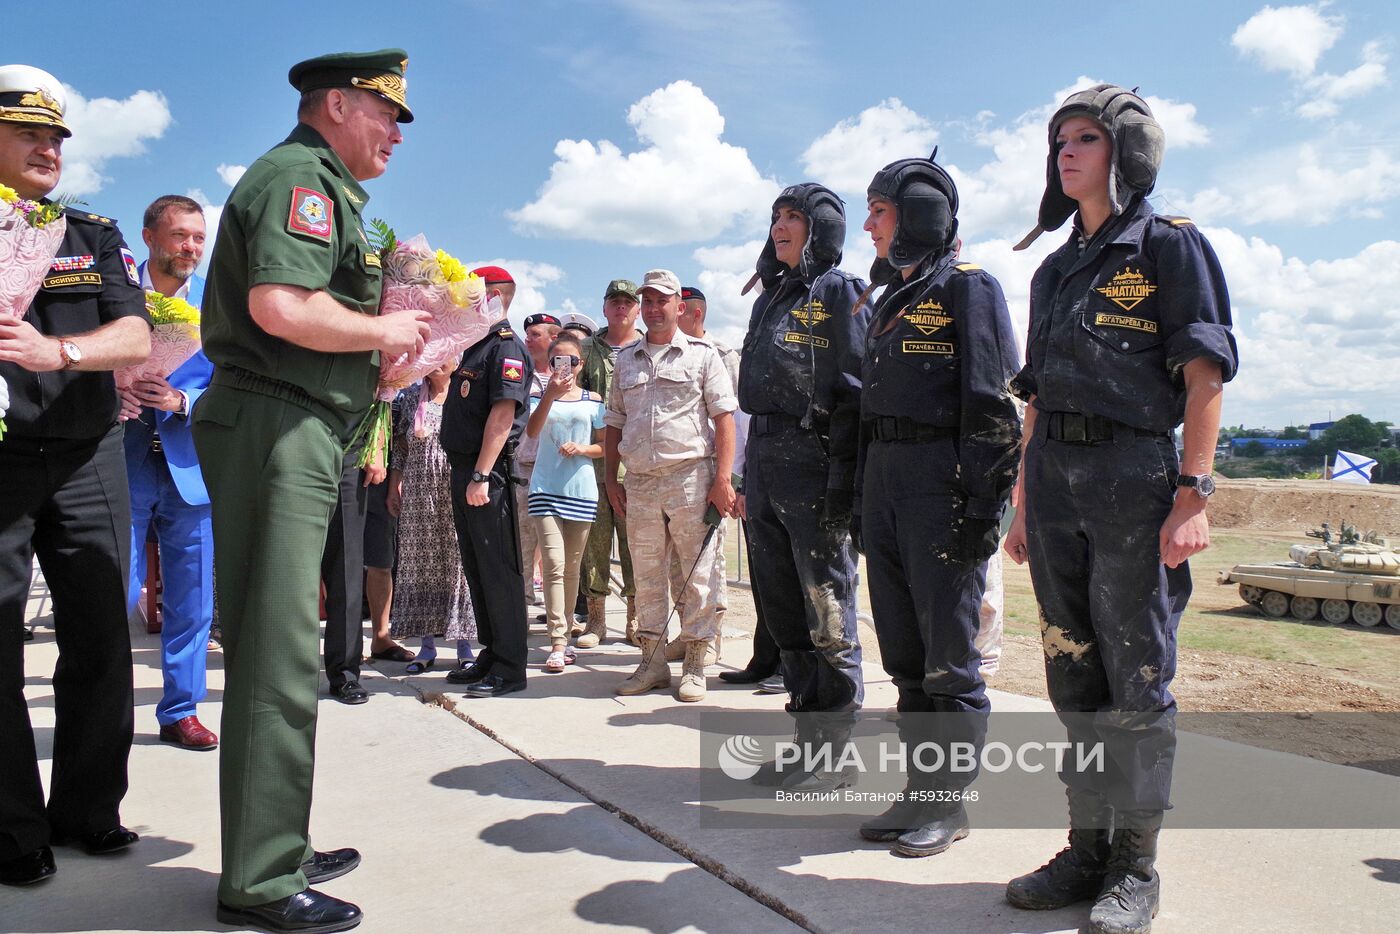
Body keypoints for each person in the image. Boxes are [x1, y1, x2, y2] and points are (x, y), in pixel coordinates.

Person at [191, 49, 429, 931]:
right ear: (336, 104)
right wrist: (381, 325)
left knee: (285, 641)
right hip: (273, 422)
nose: (396, 133)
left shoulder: (327, 187)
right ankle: (259, 875)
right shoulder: (301, 179)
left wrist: (383, 354)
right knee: (278, 648)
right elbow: (281, 309)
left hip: (298, 421)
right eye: (385, 113)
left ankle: (274, 839)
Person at [1002, 85, 1235, 934]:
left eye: (1087, 138)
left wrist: (1192, 493)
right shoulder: (1052, 268)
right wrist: (1025, 502)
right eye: (1060, 138)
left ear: (1127, 152)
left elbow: (1203, 378)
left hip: (1135, 475)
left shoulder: (1170, 248)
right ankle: (1087, 847)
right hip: (1057, 477)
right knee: (1074, 673)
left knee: (1136, 679)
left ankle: (1136, 866)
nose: (1067, 152)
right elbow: (1033, 396)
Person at [0, 64, 152, 887]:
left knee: (99, 635)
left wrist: (57, 351)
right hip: (2, 458)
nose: (48, 147)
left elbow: (132, 335)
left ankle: (89, 809)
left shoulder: (87, 233)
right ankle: (12, 828)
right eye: (29, 132)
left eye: (56, 135)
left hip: (87, 452)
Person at [853, 155, 1021, 855]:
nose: (868, 225)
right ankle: (918, 792)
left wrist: (984, 506)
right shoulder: (889, 299)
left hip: (940, 488)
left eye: (880, 211)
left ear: (918, 214)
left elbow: (992, 403)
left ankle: (946, 804)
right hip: (886, 482)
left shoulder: (969, 289)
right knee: (904, 653)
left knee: (949, 660)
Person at [735, 185, 870, 764]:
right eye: (776, 217)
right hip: (765, 460)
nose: (781, 227)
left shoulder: (841, 292)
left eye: (794, 217)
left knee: (827, 606)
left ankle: (834, 751)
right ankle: (805, 742)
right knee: (782, 607)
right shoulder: (769, 297)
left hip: (814, 461)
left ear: (821, 227)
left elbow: (857, 389)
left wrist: (844, 477)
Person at [604, 269, 737, 703]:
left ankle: (696, 661)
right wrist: (611, 479)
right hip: (639, 482)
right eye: (648, 301)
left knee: (697, 575)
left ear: (680, 307)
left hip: (690, 480)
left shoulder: (702, 356)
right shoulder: (625, 360)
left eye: (662, 301)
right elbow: (614, 424)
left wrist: (721, 480)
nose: (653, 309)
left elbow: (723, 419)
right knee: (645, 576)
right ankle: (653, 662)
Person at [121, 194, 217, 750]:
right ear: (149, 236)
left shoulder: (217, 304)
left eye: (198, 238)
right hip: (122, 461)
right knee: (111, 593)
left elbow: (232, 379)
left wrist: (184, 401)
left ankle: (181, 709)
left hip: (190, 468)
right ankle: (103, 707)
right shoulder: (117, 291)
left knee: (192, 599)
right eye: (179, 235)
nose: (190, 247)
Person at [440, 300, 533, 698]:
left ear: (493, 298)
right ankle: (493, 654)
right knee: (478, 569)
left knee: (499, 572)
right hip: (466, 470)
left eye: (470, 298)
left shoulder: (505, 348)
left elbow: (502, 415)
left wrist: (480, 474)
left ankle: (511, 668)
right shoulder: (477, 345)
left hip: (488, 474)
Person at [386, 365, 476, 671]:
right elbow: (400, 446)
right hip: (417, 492)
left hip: (454, 489)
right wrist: (393, 485)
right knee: (421, 566)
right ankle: (426, 648)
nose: (439, 361)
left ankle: (465, 647)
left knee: (458, 564)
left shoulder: (466, 393)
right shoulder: (412, 396)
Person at [525, 333, 606, 672]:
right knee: (554, 565)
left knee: (572, 569)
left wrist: (582, 449)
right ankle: (558, 640)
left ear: (580, 364)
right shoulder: (538, 396)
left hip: (581, 491)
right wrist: (549, 394)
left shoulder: (593, 400)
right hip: (544, 487)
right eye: (557, 359)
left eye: (571, 360)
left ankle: (567, 637)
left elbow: (603, 445)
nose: (565, 366)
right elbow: (531, 431)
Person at [577, 279, 642, 646]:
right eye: (614, 302)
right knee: (595, 543)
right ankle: (596, 621)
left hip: (636, 463)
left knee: (636, 544)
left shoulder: (650, 347)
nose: (621, 308)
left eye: (627, 303)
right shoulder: (586, 349)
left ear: (636, 309)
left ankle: (635, 620)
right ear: (604, 308)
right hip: (595, 461)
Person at [516, 312, 562, 609]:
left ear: (553, 338)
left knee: (557, 551)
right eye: (527, 334)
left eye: (535, 334)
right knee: (521, 546)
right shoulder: (518, 374)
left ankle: (558, 613)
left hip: (559, 470)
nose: (528, 339)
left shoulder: (570, 378)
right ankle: (520, 609)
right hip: (524, 468)